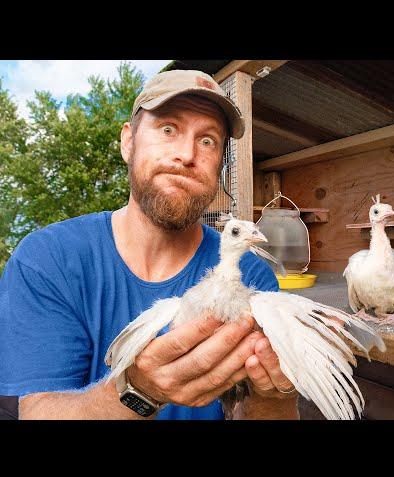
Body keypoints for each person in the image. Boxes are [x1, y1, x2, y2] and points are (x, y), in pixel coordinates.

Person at [0, 69, 299, 419]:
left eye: (208, 141)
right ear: (129, 141)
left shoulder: (252, 276)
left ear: (220, 166)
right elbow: (37, 413)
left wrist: (273, 397)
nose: (187, 154)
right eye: (168, 129)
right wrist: (138, 390)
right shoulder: (49, 260)